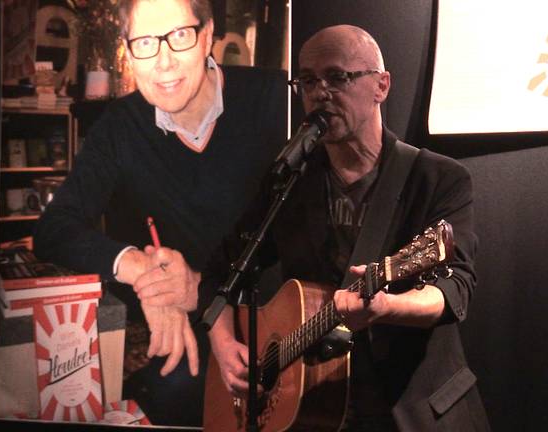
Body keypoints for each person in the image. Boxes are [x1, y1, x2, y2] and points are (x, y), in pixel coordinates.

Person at [197, 25, 491, 431]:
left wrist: (385, 306)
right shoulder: (291, 184)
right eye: (307, 80)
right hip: (316, 411)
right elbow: (221, 274)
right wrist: (225, 344)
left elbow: (454, 289)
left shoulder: (437, 178)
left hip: (413, 411)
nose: (320, 92)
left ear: (381, 86)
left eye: (337, 77)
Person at [32, 0, 286, 425]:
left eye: (180, 36)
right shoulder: (119, 126)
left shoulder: (278, 99)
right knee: (169, 393)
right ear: (130, 53)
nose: (163, 61)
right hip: (192, 327)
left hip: (280, 309)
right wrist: (140, 269)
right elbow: (54, 229)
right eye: (146, 42)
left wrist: (207, 297)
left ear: (207, 35)